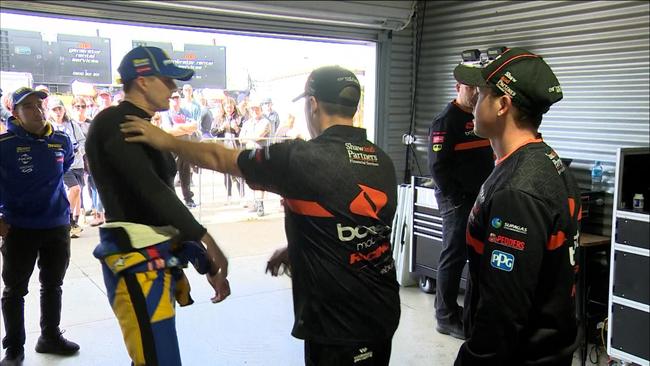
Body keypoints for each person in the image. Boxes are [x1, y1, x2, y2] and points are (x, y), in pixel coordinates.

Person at [121, 65, 401, 366]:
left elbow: (221, 157)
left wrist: (167, 141)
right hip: (381, 310)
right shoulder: (382, 161)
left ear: (313, 104)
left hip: (337, 324)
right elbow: (364, 229)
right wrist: (300, 248)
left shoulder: (300, 158)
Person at [84, 46, 230, 366]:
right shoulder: (115, 123)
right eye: (167, 80)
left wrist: (203, 259)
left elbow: (160, 198)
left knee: (161, 358)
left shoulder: (145, 125)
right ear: (143, 81)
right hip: (135, 263)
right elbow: (152, 192)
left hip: (156, 259)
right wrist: (208, 242)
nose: (175, 89)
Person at [451, 47, 580, 365]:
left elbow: (503, 313)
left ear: (502, 105)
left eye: (481, 94)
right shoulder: (545, 159)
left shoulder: (517, 190)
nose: (473, 105)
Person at [0, 87, 80, 366]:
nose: (38, 110)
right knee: (14, 290)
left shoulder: (61, 140)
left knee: (53, 284)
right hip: (19, 228)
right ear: (15, 113)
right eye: (29, 106)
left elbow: (64, 168)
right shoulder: (4, 144)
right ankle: (13, 349)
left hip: (57, 225)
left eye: (39, 105)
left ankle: (49, 336)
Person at [427, 64, 494, 339]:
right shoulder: (447, 120)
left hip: (480, 198)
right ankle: (445, 316)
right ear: (457, 88)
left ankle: (470, 312)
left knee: (478, 255)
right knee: (454, 256)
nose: (475, 93)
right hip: (457, 201)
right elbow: (437, 167)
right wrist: (455, 198)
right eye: (470, 88)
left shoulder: (481, 119)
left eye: (479, 88)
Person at [49, 97, 85, 238]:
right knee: (74, 189)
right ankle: (65, 220)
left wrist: (79, 150)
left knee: (77, 191)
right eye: (54, 109)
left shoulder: (71, 124)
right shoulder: (49, 126)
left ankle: (72, 222)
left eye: (60, 108)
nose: (58, 112)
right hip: (62, 164)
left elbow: (82, 140)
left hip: (77, 163)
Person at [160, 91, 199, 207]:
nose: (176, 99)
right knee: (170, 173)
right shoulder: (166, 113)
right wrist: (185, 128)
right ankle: (172, 201)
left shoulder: (185, 112)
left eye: (177, 97)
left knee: (185, 174)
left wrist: (179, 127)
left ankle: (188, 199)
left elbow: (194, 126)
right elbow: (169, 130)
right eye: (173, 98)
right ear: (169, 99)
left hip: (184, 147)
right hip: (171, 148)